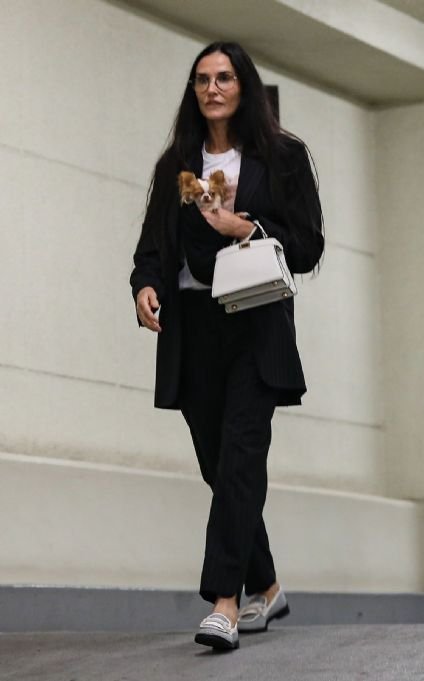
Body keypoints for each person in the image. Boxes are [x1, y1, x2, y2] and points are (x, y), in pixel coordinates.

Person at [130, 41, 324, 651]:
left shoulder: (283, 156)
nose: (212, 88)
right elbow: (153, 246)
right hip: (193, 327)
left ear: (244, 86)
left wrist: (249, 227)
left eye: (223, 77)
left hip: (256, 323)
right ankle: (266, 585)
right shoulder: (177, 165)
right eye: (201, 79)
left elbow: (308, 245)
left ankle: (224, 603)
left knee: (241, 457)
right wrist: (145, 287)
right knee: (219, 466)